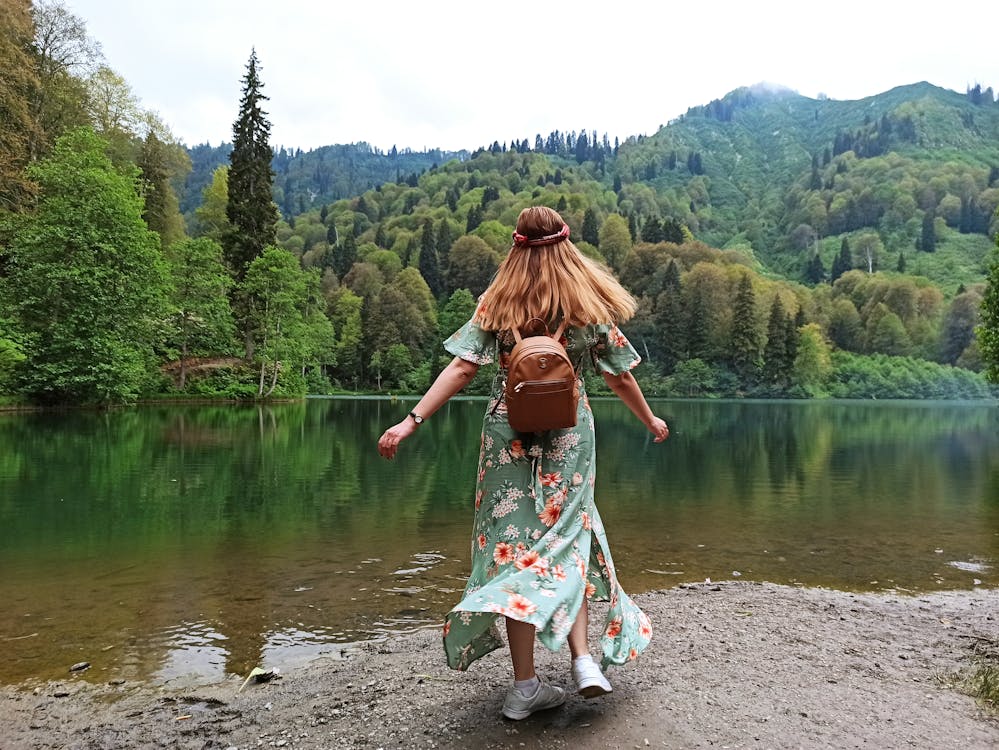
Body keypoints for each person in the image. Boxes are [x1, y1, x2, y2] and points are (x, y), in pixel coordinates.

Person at [377, 206, 669, 720]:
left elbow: (463, 369)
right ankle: (583, 662)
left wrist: (410, 421)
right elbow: (619, 376)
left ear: (516, 246)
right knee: (569, 539)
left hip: (505, 436)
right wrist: (649, 421)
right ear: (566, 245)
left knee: (514, 553)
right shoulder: (585, 301)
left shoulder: (500, 302)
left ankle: (525, 684)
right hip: (569, 437)